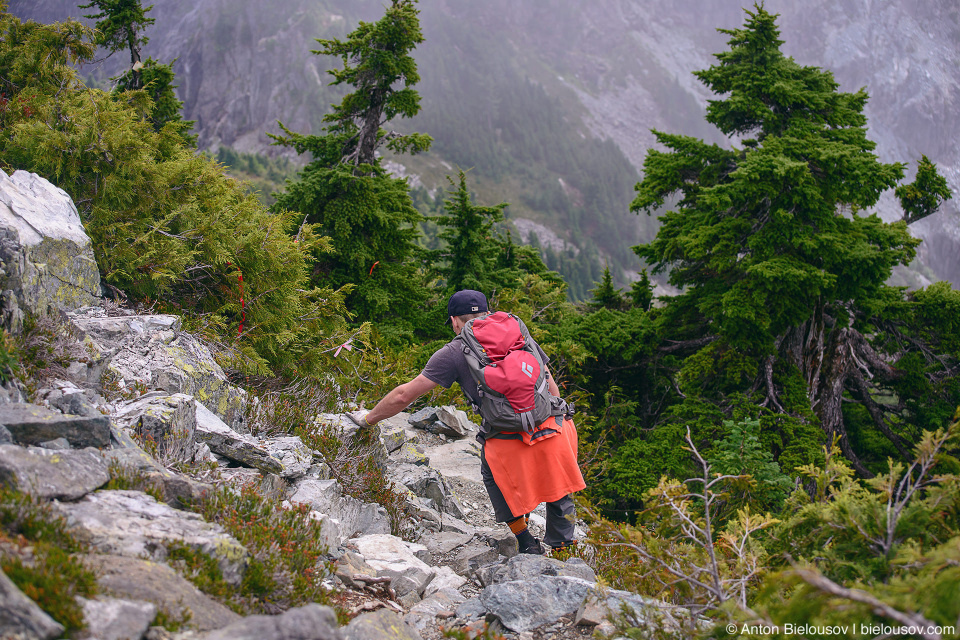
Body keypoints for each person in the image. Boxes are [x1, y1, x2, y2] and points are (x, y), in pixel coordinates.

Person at [348, 290, 586, 554]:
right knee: (559, 480)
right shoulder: (516, 331)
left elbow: (405, 395)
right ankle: (564, 551)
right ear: (487, 312)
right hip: (553, 424)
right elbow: (548, 379)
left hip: (506, 437)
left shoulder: (454, 351)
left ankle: (526, 541)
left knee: (493, 474)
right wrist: (554, 417)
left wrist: (369, 418)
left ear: (454, 320)